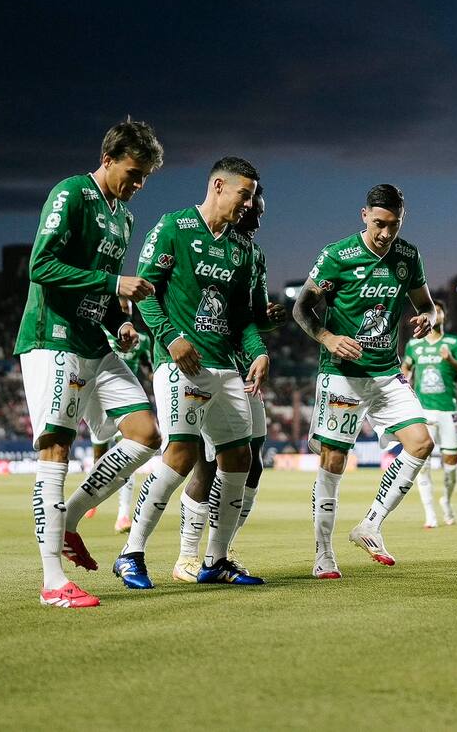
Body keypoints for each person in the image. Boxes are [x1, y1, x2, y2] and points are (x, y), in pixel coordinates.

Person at [15, 118, 165, 608]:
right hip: (53, 337)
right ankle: (53, 581)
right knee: (56, 446)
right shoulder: (72, 193)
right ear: (108, 158)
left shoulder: (121, 215)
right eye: (133, 172)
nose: (138, 184)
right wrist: (114, 285)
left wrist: (115, 317)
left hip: (92, 339)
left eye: (145, 177)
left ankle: (70, 519)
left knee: (146, 433)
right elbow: (41, 265)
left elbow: (98, 285)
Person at [111, 157, 270, 589]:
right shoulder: (174, 226)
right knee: (181, 454)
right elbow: (145, 290)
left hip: (225, 369)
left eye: (252, 196)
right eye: (245, 194)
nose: (250, 203)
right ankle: (131, 554)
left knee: (239, 456)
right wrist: (169, 337)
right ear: (219, 186)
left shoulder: (242, 249)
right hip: (183, 364)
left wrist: (258, 352)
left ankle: (215, 560)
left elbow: (244, 319)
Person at [292, 183, 438, 579]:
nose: (386, 233)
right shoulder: (337, 255)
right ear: (364, 216)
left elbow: (426, 304)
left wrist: (431, 318)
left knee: (422, 442)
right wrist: (328, 337)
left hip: (387, 374)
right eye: (379, 224)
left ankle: (370, 525)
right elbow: (301, 307)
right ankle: (323, 554)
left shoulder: (408, 256)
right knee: (334, 460)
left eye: (394, 225)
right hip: (342, 376)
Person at [172, 188, 287, 582]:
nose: (252, 218)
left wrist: (269, 318)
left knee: (251, 461)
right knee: (205, 463)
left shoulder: (252, 255)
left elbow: (248, 317)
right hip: (210, 366)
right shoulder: (206, 242)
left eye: (258, 215)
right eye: (249, 211)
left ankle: (220, 549)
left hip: (240, 372)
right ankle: (188, 555)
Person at [400, 304, 457, 527]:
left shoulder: (454, 342)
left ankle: (446, 501)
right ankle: (429, 513)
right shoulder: (414, 345)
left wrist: (451, 360)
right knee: (423, 464)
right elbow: (405, 371)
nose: (436, 314)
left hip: (448, 410)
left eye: (439, 310)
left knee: (450, 465)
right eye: (433, 311)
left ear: (443, 316)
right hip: (423, 412)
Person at [82, 324, 153, 532]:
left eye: (127, 301)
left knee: (128, 460)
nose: (124, 303)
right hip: (101, 402)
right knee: (99, 459)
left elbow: (147, 367)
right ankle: (90, 499)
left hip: (127, 405)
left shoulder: (141, 339)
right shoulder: (101, 333)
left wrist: (157, 378)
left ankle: (123, 515)